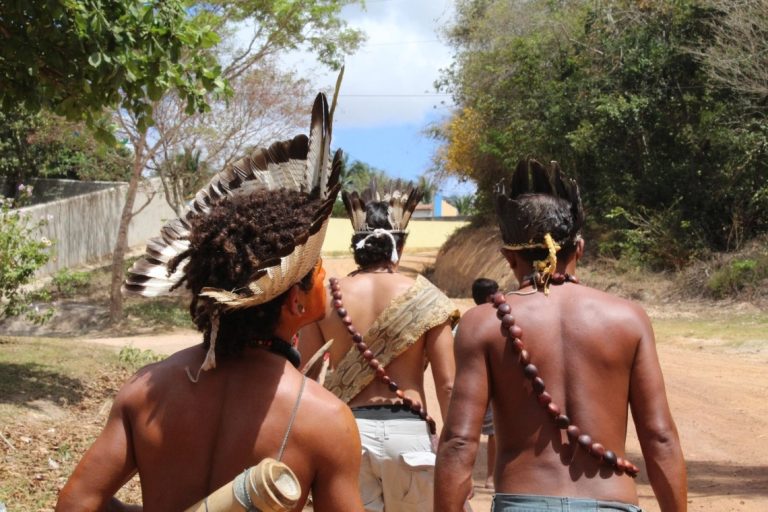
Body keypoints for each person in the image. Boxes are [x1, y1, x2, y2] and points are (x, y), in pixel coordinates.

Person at [55, 94, 363, 512]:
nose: (329, 276)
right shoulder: (326, 419)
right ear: (294, 301)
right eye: (319, 270)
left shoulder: (147, 390)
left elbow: (76, 503)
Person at [435, 159, 686, 511]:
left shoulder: (484, 323)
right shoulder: (628, 319)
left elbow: (459, 442)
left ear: (509, 257)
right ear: (578, 249)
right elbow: (660, 437)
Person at [298, 181, 459, 512]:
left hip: (346, 435)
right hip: (409, 435)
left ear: (357, 247)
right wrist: (456, 450)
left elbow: (306, 375)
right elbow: (448, 384)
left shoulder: (326, 298)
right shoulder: (428, 298)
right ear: (397, 248)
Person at [470, 277, 499, 490]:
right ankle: (490, 477)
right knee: (494, 433)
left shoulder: (466, 322)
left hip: (469, 386)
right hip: (491, 386)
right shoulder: (497, 322)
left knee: (467, 433)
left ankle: (468, 477)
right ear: (490, 297)